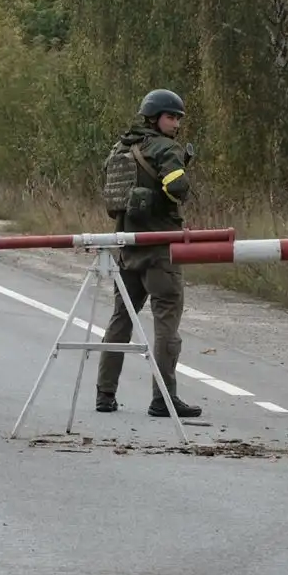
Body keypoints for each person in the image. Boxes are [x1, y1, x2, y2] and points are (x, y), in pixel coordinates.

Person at [94, 89, 201, 418]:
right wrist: (182, 171)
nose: (177, 124)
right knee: (166, 322)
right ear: (154, 118)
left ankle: (105, 395)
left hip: (125, 247)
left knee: (120, 319)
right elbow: (178, 188)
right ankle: (164, 399)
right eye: (172, 117)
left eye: (179, 118)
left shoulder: (120, 148)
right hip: (159, 250)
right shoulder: (165, 148)